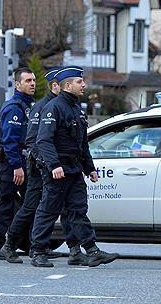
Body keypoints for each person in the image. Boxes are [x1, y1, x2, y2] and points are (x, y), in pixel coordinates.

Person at [30, 66, 117, 268]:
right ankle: (38, 251)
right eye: (79, 82)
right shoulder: (54, 107)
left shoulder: (77, 108)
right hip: (58, 171)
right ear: (67, 85)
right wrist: (54, 165)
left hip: (75, 169)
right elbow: (43, 140)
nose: (84, 85)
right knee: (48, 211)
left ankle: (88, 250)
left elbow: (82, 143)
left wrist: (89, 168)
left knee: (78, 210)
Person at [0, 68, 35, 260]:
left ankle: (32, 246)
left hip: (23, 161)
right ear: (17, 84)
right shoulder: (14, 107)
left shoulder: (27, 105)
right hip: (13, 163)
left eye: (33, 80)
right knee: (7, 204)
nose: (33, 83)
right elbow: (9, 141)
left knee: (30, 203)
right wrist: (17, 166)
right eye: (28, 81)